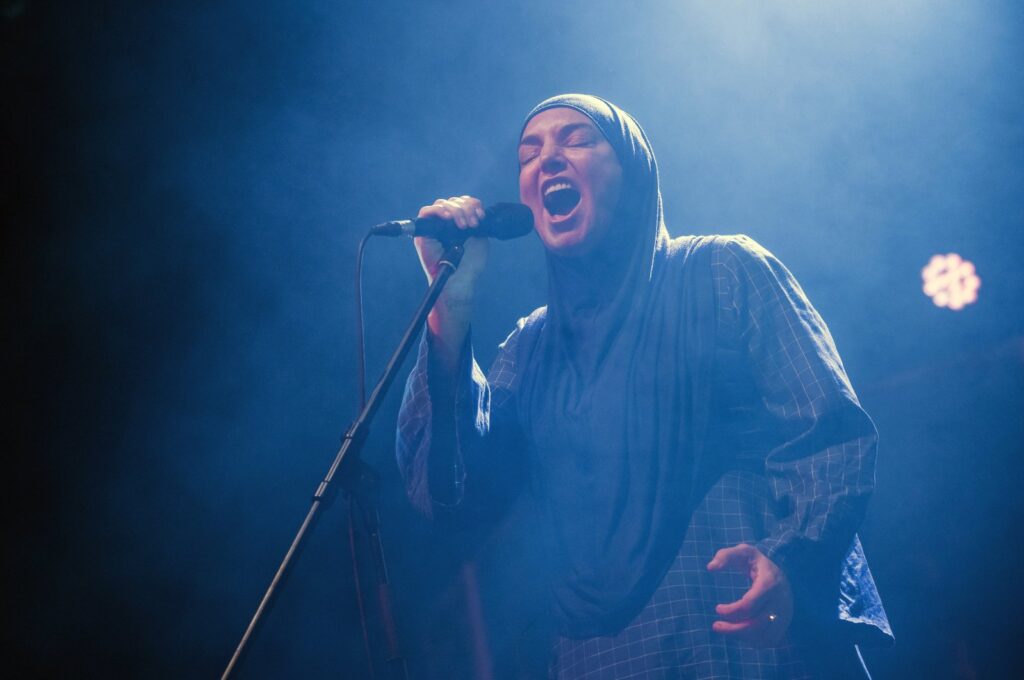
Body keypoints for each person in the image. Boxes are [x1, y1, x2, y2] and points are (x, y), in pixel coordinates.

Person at [396, 94, 892, 679]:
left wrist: (793, 558)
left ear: (632, 172)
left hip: (742, 628)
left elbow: (829, 432)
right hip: (604, 656)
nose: (547, 159)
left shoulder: (723, 271)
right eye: (529, 154)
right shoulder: (530, 347)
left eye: (575, 140)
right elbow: (452, 490)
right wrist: (450, 304)